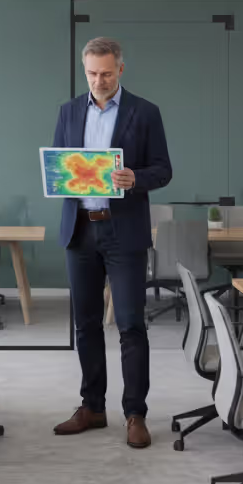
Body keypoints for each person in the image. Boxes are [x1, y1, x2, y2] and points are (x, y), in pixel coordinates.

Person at [51, 37, 172, 449]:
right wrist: (58, 177)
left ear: (121, 69)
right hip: (80, 228)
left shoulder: (145, 112)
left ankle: (135, 413)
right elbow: (60, 163)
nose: (98, 81)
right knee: (85, 324)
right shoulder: (68, 111)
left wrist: (136, 177)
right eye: (91, 73)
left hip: (125, 232)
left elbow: (164, 169)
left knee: (130, 325)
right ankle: (93, 407)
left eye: (105, 73)